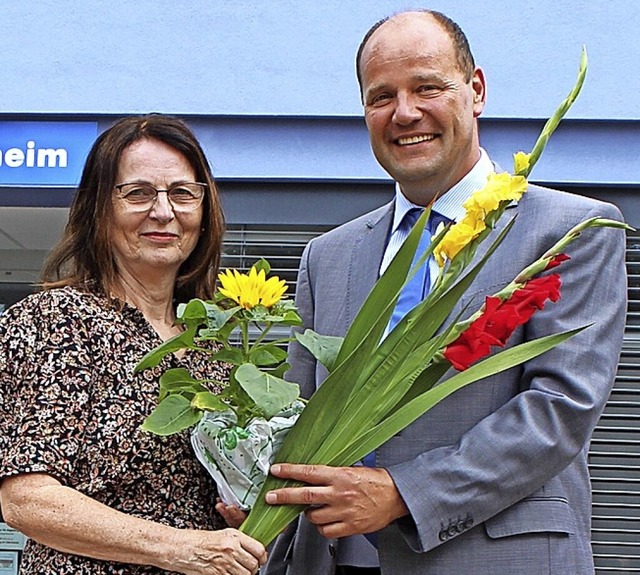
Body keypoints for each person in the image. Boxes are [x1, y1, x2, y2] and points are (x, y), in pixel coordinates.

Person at [263, 9, 627, 575]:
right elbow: (295, 415)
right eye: (381, 96)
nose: (404, 112)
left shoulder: (568, 232)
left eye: (427, 87)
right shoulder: (326, 257)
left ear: (475, 90)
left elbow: (559, 409)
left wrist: (403, 492)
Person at [0, 114, 267, 575]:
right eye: (138, 193)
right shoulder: (55, 322)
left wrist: (241, 513)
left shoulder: (214, 346)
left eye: (182, 194)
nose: (163, 211)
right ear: (99, 209)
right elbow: (27, 499)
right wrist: (179, 547)